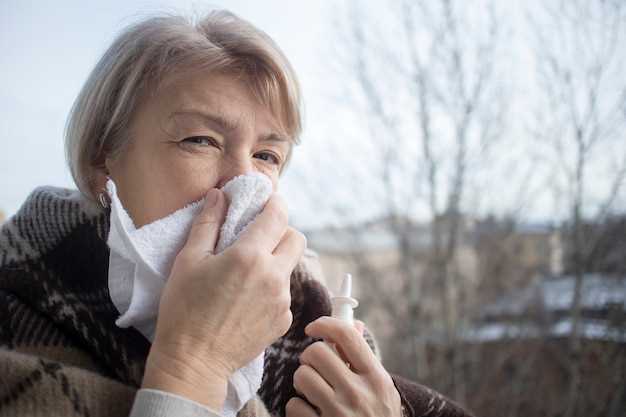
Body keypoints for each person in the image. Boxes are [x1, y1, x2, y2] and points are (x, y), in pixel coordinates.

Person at [0, 10, 473, 417]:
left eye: (267, 156)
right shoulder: (15, 318)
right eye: (200, 140)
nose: (241, 182)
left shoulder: (316, 342)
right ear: (103, 161)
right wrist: (195, 362)